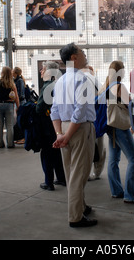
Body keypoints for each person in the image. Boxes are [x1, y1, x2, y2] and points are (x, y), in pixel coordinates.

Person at [50, 43, 97, 228]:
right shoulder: (82, 79)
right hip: (79, 129)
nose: (85, 54)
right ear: (74, 58)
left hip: (65, 128)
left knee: (71, 173)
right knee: (79, 174)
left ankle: (81, 206)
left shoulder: (60, 81)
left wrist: (60, 134)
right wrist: (67, 136)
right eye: (82, 52)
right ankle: (75, 216)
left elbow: (54, 111)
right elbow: (80, 111)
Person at [101, 60, 134, 204]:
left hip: (110, 126)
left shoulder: (105, 86)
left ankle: (116, 191)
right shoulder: (120, 87)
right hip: (120, 126)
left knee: (114, 159)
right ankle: (131, 195)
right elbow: (131, 106)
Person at [36, 61, 66, 191]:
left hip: (47, 126)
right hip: (58, 125)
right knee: (57, 152)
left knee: (46, 154)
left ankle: (48, 182)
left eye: (43, 70)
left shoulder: (47, 86)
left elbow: (39, 107)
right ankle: (61, 178)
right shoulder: (60, 84)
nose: (41, 72)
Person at [82, 65, 106, 181]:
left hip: (87, 120)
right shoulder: (96, 81)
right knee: (99, 147)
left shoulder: (82, 79)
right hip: (98, 119)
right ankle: (97, 172)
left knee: (87, 149)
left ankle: (86, 173)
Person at [0, 66, 20, 148]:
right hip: (9, 105)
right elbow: (16, 96)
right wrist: (18, 107)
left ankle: (0, 143)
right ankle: (10, 143)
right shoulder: (12, 84)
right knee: (9, 125)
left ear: (2, 73)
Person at [13, 67, 27, 145]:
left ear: (15, 73)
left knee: (21, 121)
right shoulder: (18, 80)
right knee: (19, 121)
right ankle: (20, 137)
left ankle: (23, 138)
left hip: (20, 103)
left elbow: (21, 94)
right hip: (19, 102)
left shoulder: (19, 81)